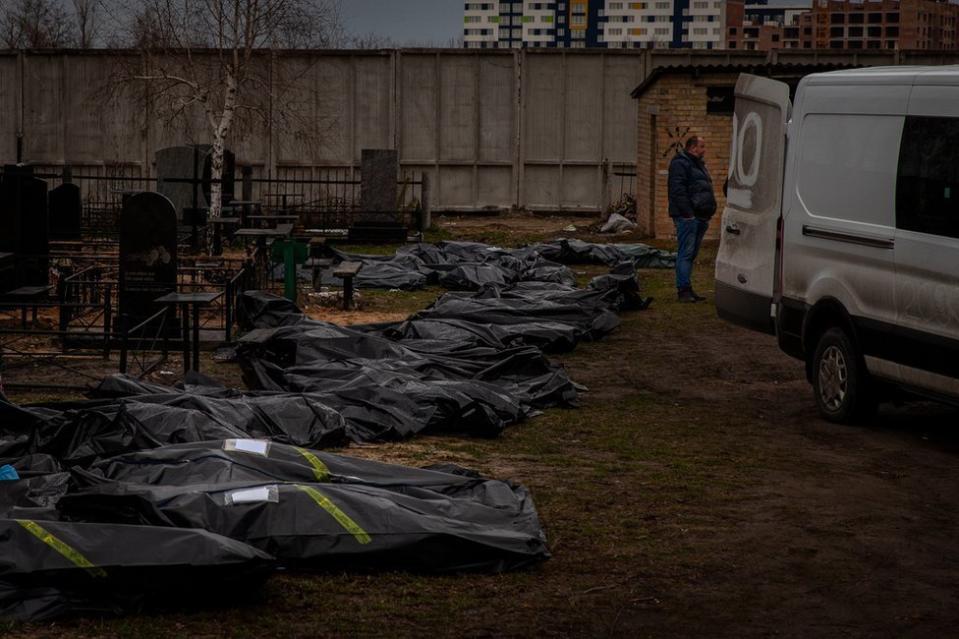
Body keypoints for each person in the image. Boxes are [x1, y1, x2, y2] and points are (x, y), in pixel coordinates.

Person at [668, 136, 717, 303]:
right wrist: (688, 214)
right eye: (702, 146)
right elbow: (677, 190)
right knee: (686, 253)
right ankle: (683, 290)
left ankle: (688, 288)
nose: (704, 150)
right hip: (688, 217)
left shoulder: (698, 164)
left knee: (691, 254)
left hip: (700, 217)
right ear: (693, 148)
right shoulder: (680, 163)